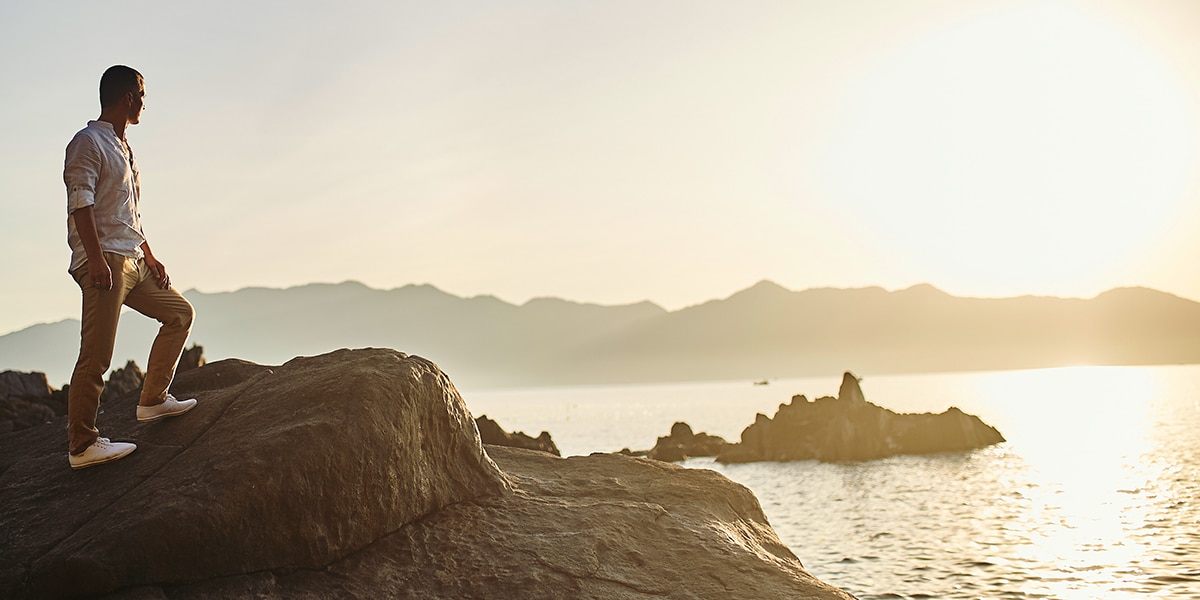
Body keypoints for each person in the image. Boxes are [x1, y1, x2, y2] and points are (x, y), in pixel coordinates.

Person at [63, 65, 197, 470]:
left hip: (133, 260)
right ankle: (82, 444)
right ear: (127, 97)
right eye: (141, 94)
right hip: (103, 262)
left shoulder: (125, 148)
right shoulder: (87, 142)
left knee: (180, 314)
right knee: (97, 355)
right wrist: (98, 257)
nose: (144, 102)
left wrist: (149, 253)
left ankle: (153, 400)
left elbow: (128, 215)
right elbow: (80, 203)